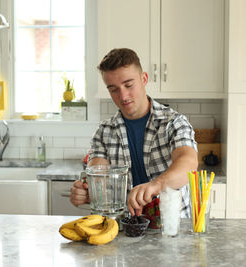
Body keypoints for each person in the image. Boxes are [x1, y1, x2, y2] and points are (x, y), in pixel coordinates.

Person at [70, 48, 198, 217]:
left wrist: (155, 185)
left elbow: (188, 163)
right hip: (123, 229)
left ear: (144, 78)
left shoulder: (174, 122)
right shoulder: (104, 132)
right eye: (113, 89)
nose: (123, 96)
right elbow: (97, 175)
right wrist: (88, 191)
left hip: (172, 228)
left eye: (129, 85)